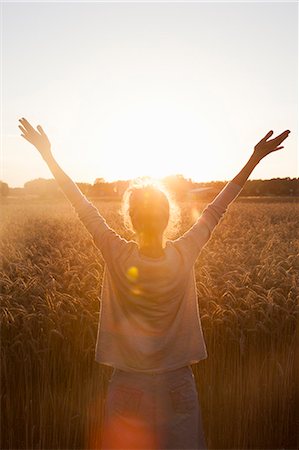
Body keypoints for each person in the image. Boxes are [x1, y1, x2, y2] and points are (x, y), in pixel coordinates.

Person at [18, 118, 290, 450]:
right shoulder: (184, 252)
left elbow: (82, 206)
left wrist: (48, 155)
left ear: (131, 218)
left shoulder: (117, 254)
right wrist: (253, 159)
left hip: (128, 385)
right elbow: (217, 208)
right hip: (177, 384)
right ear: (167, 217)